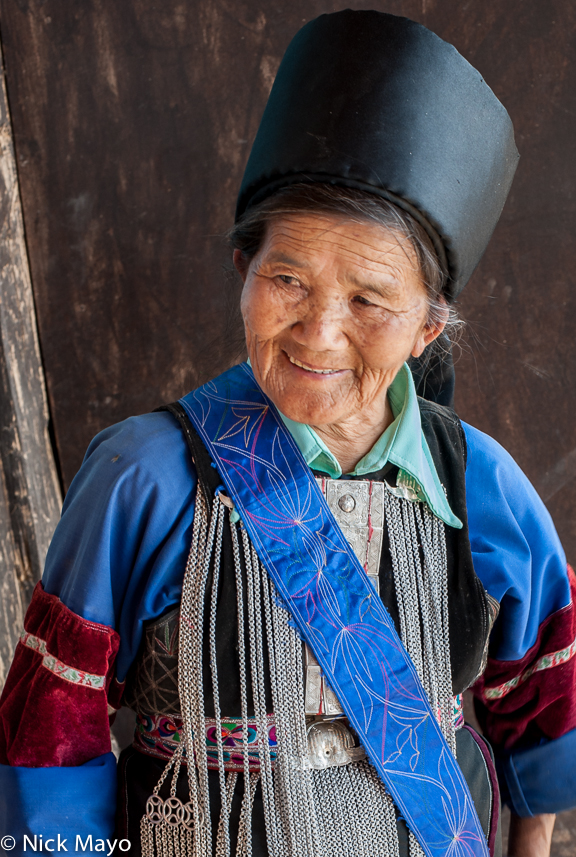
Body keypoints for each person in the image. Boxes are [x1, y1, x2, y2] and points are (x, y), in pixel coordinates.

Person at [0, 10, 575, 857]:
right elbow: (54, 727)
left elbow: (542, 709)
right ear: (243, 270)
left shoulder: (481, 487)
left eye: (370, 300)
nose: (319, 330)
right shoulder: (143, 477)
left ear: (428, 325)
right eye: (287, 279)